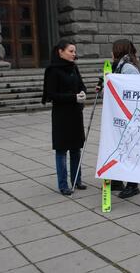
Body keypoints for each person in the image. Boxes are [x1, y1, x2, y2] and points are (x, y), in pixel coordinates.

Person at [96, 39, 140, 199]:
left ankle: (132, 185)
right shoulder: (118, 66)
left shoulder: (128, 68)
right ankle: (116, 180)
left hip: (128, 116)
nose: (111, 52)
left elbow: (135, 91)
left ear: (119, 50)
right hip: (118, 116)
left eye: (113, 49)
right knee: (116, 147)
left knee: (129, 150)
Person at [42, 40, 87, 195]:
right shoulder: (52, 70)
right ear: (60, 52)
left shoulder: (74, 67)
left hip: (75, 114)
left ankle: (76, 180)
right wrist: (73, 97)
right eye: (71, 51)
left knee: (76, 149)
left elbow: (81, 85)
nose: (74, 54)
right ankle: (63, 185)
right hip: (61, 116)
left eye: (75, 51)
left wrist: (82, 93)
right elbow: (52, 95)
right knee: (61, 151)